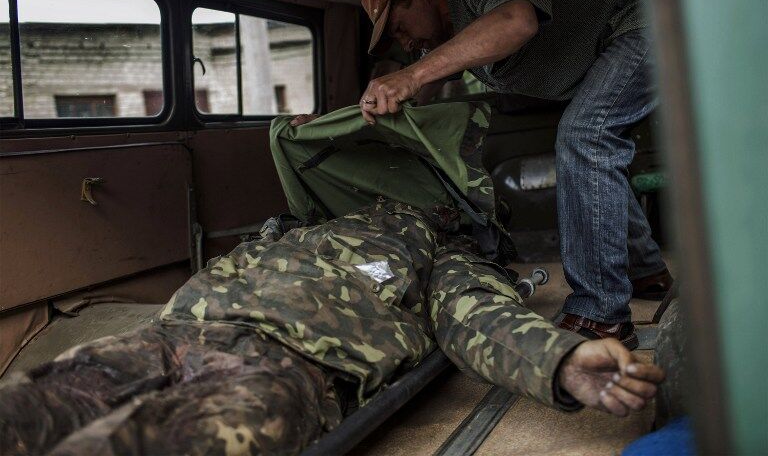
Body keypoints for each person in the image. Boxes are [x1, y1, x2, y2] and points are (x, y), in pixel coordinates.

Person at [0, 201, 664, 456]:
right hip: (183, 331)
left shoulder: (444, 259)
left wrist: (561, 361)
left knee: (141, 444)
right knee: (31, 401)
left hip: (293, 368)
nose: (395, 208)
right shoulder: (301, 231)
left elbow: (480, 320)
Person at [353, 0, 673, 349]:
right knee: (587, 145)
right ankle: (645, 270)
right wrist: (350, 116)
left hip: (648, 17)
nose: (405, 42)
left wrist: (412, 75)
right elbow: (414, 95)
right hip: (610, 42)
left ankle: (601, 316)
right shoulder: (460, 46)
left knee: (585, 137)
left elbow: (515, 21)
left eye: (400, 28)